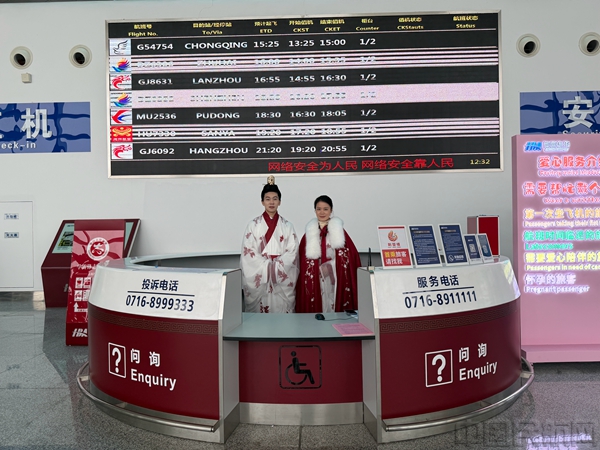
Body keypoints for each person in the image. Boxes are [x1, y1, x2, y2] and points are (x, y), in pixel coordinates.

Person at [240, 176, 299, 313]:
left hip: (281, 280)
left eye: (275, 199)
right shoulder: (253, 225)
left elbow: (293, 252)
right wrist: (268, 268)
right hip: (262, 279)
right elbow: (248, 253)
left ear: (280, 202)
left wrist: (275, 268)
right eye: (267, 199)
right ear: (262, 202)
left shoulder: (287, 226)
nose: (271, 202)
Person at [295, 195, 361, 313]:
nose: (322, 212)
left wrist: (330, 267)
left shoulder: (340, 232)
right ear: (315, 210)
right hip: (316, 280)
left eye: (325, 209)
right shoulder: (308, 234)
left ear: (331, 210)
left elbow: (350, 258)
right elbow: (302, 262)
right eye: (319, 209)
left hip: (334, 280)